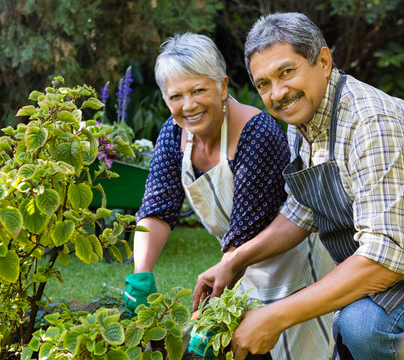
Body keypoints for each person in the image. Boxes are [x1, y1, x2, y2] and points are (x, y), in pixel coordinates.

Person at [192, 12, 404, 360]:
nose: (278, 93)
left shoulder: (372, 123)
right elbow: (301, 212)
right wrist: (235, 259)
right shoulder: (303, 120)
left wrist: (275, 317)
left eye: (286, 72)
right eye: (264, 84)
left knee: (364, 327)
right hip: (388, 262)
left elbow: (384, 258)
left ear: (324, 62)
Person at [122, 32, 335, 359]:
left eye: (198, 90)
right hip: (237, 266)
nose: (188, 105)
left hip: (292, 260)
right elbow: (157, 206)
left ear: (222, 87)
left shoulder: (256, 133)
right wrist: (141, 272)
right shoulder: (174, 133)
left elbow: (247, 229)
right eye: (176, 96)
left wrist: (210, 312)